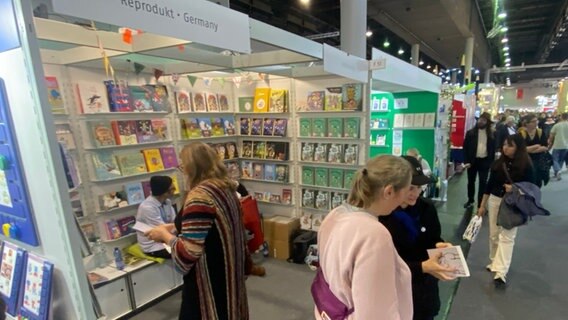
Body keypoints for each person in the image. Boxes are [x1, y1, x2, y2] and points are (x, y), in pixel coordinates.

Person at [145, 142, 249, 319]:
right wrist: (173, 227)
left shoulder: (199, 196)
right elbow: (210, 222)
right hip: (229, 271)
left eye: (183, 166)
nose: (182, 171)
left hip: (208, 279)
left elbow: (189, 253)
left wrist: (164, 236)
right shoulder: (225, 187)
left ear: (192, 168)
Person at [315, 155, 414, 320]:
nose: (407, 198)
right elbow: (376, 313)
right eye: (408, 189)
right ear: (389, 191)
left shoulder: (336, 214)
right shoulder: (374, 235)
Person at [379, 156, 455, 320]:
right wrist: (422, 267)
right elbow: (385, 263)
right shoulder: (383, 215)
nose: (416, 193)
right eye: (411, 188)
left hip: (424, 293)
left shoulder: (427, 208)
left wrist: (441, 247)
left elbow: (433, 239)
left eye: (419, 187)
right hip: (395, 292)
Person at [477, 134, 535, 285]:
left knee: (508, 237)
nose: (505, 148)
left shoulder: (526, 165)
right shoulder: (497, 163)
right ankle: (494, 261)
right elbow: (488, 186)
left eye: (510, 145)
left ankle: (501, 270)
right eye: (504, 144)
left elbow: (533, 187)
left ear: (518, 148)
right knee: (494, 235)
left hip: (513, 203)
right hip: (495, 200)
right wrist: (482, 205)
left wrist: (515, 189)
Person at [135, 175, 176, 259]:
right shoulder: (147, 207)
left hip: (165, 240)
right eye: (173, 189)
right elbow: (162, 230)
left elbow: (174, 222)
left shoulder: (167, 202)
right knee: (184, 253)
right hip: (154, 246)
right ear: (165, 192)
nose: (175, 190)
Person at [463, 112, 496, 209]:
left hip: (484, 161)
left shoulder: (492, 135)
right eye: (480, 119)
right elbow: (465, 148)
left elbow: (493, 150)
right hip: (472, 161)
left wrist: (491, 163)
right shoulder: (470, 133)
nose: (481, 122)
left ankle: (480, 203)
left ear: (487, 122)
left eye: (484, 120)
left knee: (483, 182)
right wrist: (466, 162)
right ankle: (470, 200)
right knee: (470, 181)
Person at [518, 114, 549, 187]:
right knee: (527, 181)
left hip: (539, 161)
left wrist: (530, 150)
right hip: (525, 161)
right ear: (527, 123)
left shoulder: (540, 132)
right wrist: (536, 146)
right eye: (533, 121)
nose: (536, 123)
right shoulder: (521, 133)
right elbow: (520, 148)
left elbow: (545, 147)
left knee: (537, 182)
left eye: (536, 121)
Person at [548, 112, 568, 180]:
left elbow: (551, 135)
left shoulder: (557, 125)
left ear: (561, 117)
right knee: (561, 159)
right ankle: (557, 173)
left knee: (554, 159)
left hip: (557, 145)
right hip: (566, 146)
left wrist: (550, 142)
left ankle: (558, 170)